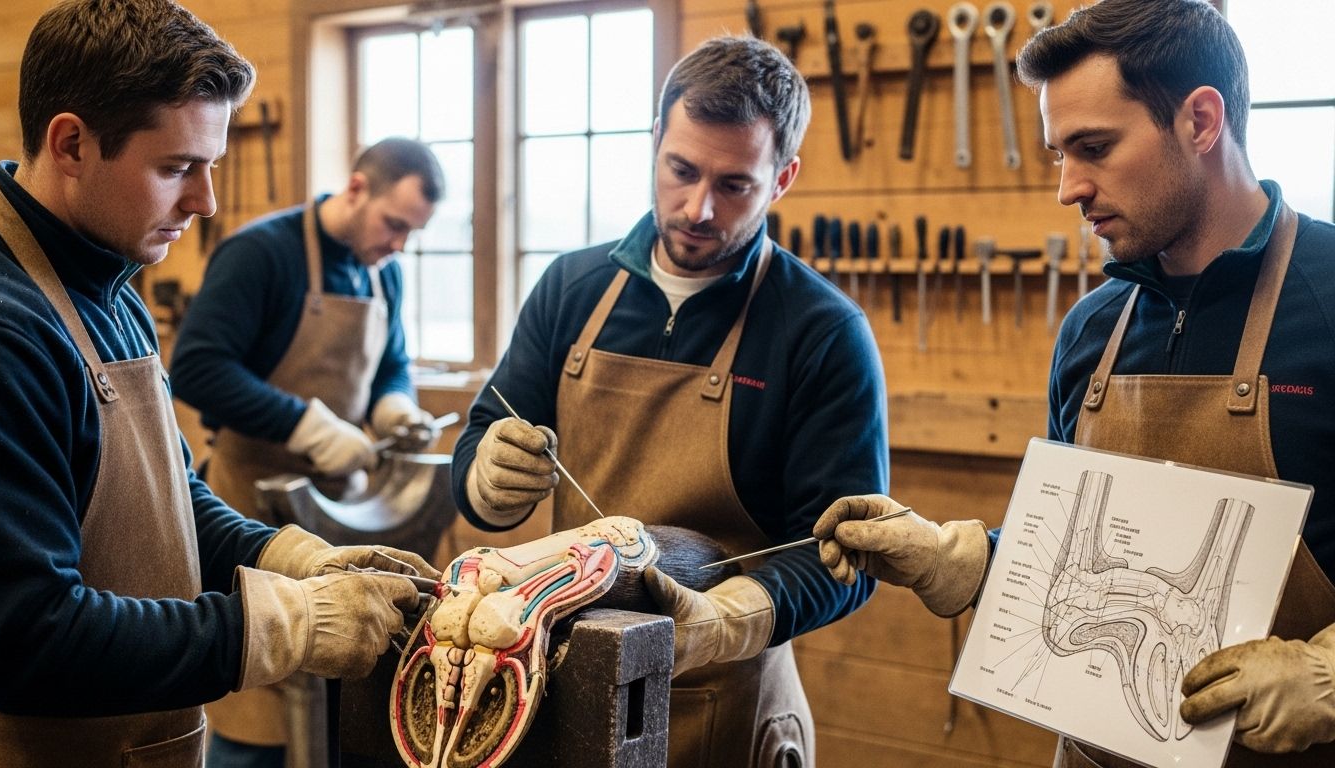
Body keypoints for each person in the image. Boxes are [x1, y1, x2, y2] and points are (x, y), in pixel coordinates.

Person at [813, 1, 1335, 766]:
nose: (1068, 187)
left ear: (1199, 120)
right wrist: (955, 558)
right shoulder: (1094, 329)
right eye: (1059, 152)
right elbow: (1069, 571)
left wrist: (1325, 676)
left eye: (1094, 147)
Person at [0, 2, 438, 767]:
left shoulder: (106, 281)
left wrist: (292, 559)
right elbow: (28, 641)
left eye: (211, 167)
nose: (206, 203)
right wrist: (288, 624)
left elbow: (164, 500)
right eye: (175, 169)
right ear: (71, 143)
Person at [451, 35, 888, 767]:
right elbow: (483, 441)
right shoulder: (572, 289)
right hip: (567, 693)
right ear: (655, 141)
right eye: (681, 170)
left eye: (734, 185)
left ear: (782, 178)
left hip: (722, 700)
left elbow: (845, 558)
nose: (697, 208)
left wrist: (726, 619)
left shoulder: (821, 331)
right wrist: (486, 480)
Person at [169, 138, 444, 763]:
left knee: (340, 704)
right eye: (394, 224)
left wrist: (393, 407)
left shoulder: (384, 271)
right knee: (257, 712)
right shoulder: (262, 254)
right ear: (355, 189)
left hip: (336, 508)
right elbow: (198, 368)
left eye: (412, 233)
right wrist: (311, 428)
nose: (398, 244)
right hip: (250, 505)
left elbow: (392, 364)